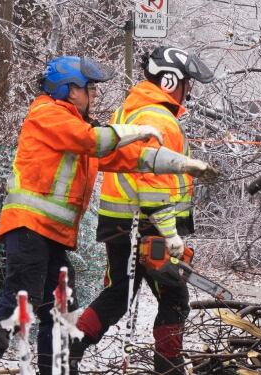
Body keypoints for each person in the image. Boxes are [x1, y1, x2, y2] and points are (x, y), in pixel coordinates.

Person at [0, 56, 218, 375]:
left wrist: (180, 163)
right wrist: (136, 130)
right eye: (91, 89)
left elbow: (125, 157)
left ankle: (57, 369)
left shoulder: (75, 124)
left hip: (50, 235)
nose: (96, 95)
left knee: (61, 306)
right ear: (72, 90)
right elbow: (93, 141)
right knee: (23, 298)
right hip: (29, 228)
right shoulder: (48, 114)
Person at [70, 46, 218, 375]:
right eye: (186, 82)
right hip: (148, 223)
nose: (188, 89)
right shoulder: (156, 117)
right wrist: (168, 236)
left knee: (120, 292)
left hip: (122, 222)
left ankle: (71, 348)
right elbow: (150, 176)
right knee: (175, 297)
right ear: (170, 80)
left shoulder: (133, 111)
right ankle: (169, 366)